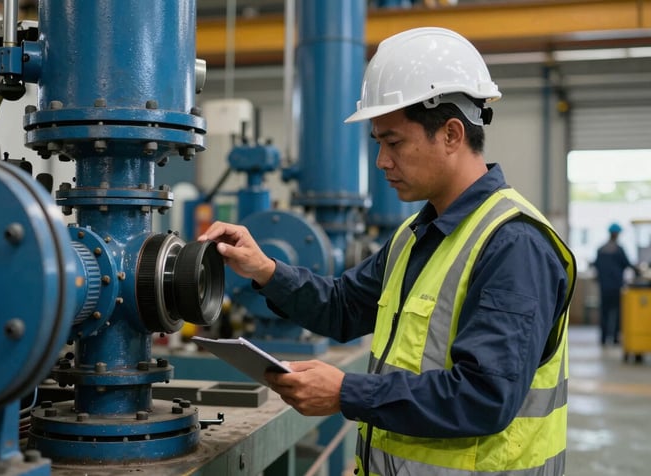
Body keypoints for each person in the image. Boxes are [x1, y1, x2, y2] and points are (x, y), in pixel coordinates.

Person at [199, 27, 576, 476]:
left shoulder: (514, 245)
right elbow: (342, 307)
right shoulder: (416, 236)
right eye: (378, 144)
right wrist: (263, 269)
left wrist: (347, 393)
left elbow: (485, 397)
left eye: (393, 142)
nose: (381, 162)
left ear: (452, 134)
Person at [593, 223, 637, 345]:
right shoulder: (619, 250)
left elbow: (596, 266)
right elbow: (627, 264)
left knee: (604, 312)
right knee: (618, 312)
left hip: (604, 287)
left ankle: (603, 338)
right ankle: (615, 338)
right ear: (616, 234)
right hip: (617, 286)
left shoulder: (600, 249)